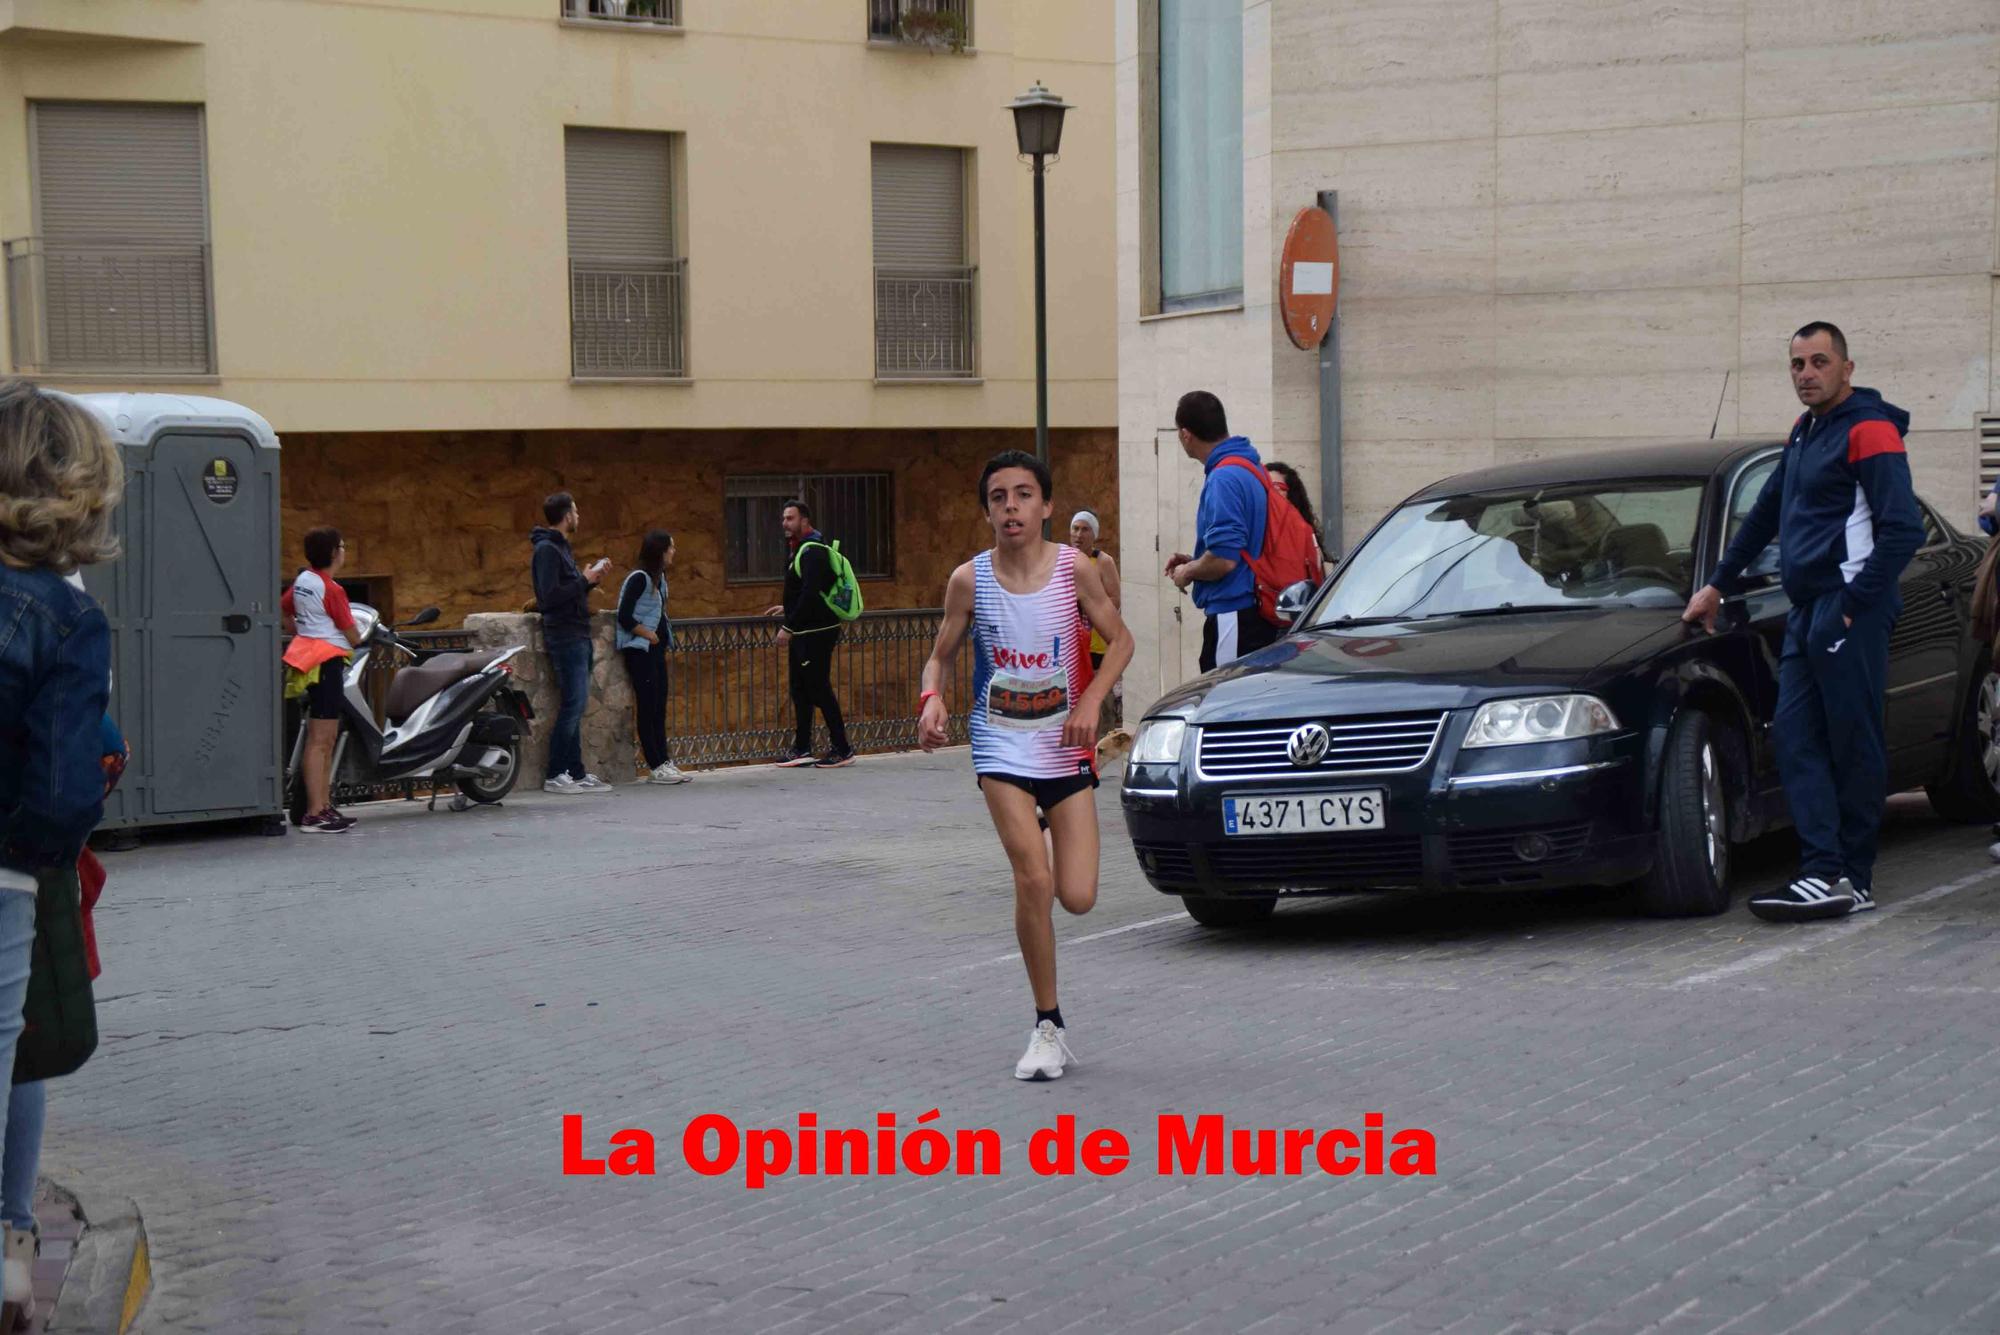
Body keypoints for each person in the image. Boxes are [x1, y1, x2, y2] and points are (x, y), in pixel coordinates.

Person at [1683, 322, 1923, 922]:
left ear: (1847, 368)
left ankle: (1854, 877)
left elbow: (1903, 532)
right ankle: (1821, 871)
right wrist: (1718, 583)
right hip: (1808, 610)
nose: (1806, 374)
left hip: (1849, 611)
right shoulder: (1804, 431)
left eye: (1819, 362)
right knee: (1794, 739)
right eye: (1797, 364)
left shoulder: (1870, 430)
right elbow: (1766, 513)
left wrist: (1849, 604)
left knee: (1852, 742)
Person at [919, 450, 1133, 1081]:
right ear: (987, 511)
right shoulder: (969, 581)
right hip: (1001, 744)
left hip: (1065, 745)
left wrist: (1092, 699)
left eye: (1022, 495)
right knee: (1033, 881)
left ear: (1045, 506)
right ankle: (1048, 1024)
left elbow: (1120, 641)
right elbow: (940, 657)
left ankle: (1040, 832)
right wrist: (933, 699)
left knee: (1079, 896)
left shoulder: (1075, 571)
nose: (1010, 507)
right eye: (998, 497)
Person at [0, 381, 118, 1326]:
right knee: (14, 1060)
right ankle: (7, 1257)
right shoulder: (67, 617)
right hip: (6, 873)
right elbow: (64, 787)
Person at [1164, 390, 1278, 672]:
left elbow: (1225, 560)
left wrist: (1187, 572)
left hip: (1234, 614)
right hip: (1254, 611)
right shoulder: (1250, 467)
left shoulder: (1223, 478)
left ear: (1186, 435)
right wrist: (1196, 560)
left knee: (1226, 705)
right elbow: (1242, 548)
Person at [531, 492, 614, 795]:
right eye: (576, 512)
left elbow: (568, 590)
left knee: (576, 705)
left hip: (577, 632)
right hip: (564, 635)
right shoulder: (547, 551)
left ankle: (575, 772)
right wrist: (583, 580)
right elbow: (549, 598)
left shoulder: (560, 548)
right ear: (567, 516)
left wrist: (590, 579)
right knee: (572, 704)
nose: (579, 517)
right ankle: (556, 773)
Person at [280, 528, 363, 832]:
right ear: (333, 553)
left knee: (321, 740)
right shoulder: (333, 590)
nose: (344, 551)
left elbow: (286, 609)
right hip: (327, 662)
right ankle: (316, 812)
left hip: (307, 660)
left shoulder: (303, 581)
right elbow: (352, 634)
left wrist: (301, 630)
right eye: (342, 546)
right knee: (321, 741)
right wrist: (361, 638)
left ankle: (323, 807)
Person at [762, 499, 854, 769]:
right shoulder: (801, 549)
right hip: (806, 630)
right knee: (800, 689)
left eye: (790, 519)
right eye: (783, 519)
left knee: (819, 688)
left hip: (815, 632)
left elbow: (812, 594)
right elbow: (804, 591)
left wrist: (788, 627)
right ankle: (802, 748)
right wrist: (788, 608)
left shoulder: (813, 551)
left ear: (805, 520)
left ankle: (842, 748)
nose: (785, 524)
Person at [616, 529, 689, 785]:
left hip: (656, 650)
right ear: (660, 551)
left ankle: (664, 760)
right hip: (640, 651)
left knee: (659, 706)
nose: (673, 552)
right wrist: (647, 634)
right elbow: (623, 616)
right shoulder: (640, 578)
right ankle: (655, 765)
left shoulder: (660, 579)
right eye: (671, 547)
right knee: (647, 707)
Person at [1067, 510, 1121, 673]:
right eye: (1075, 529)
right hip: (1069, 641)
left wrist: (1087, 609)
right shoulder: (1064, 559)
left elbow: (1115, 599)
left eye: (1085, 529)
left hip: (1096, 643)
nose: (1079, 535)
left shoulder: (1103, 561)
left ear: (1094, 535)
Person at [1265, 460, 1329, 568]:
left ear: (1291, 494)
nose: (1269, 493)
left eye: (1276, 487)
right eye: (1264, 487)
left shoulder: (1301, 531)